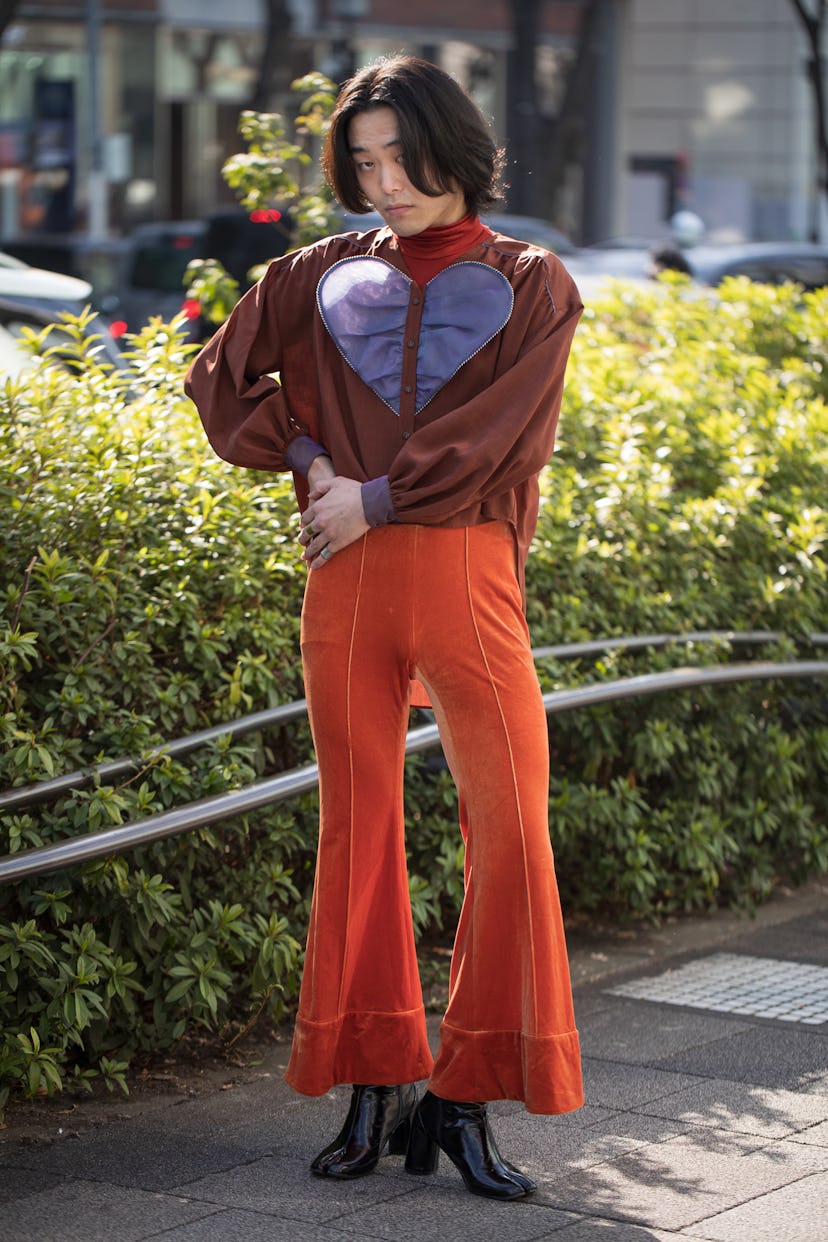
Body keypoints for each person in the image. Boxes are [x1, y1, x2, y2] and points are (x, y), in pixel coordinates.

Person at [185, 54, 584, 1201]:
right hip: (342, 580)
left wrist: (383, 496)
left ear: (450, 147)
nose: (384, 183)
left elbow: (509, 434)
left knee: (511, 829)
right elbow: (220, 386)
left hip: (467, 574)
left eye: (400, 158)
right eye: (361, 164)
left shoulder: (533, 280)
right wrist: (315, 463)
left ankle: (463, 1094)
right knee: (356, 832)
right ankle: (376, 1081)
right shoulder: (313, 273)